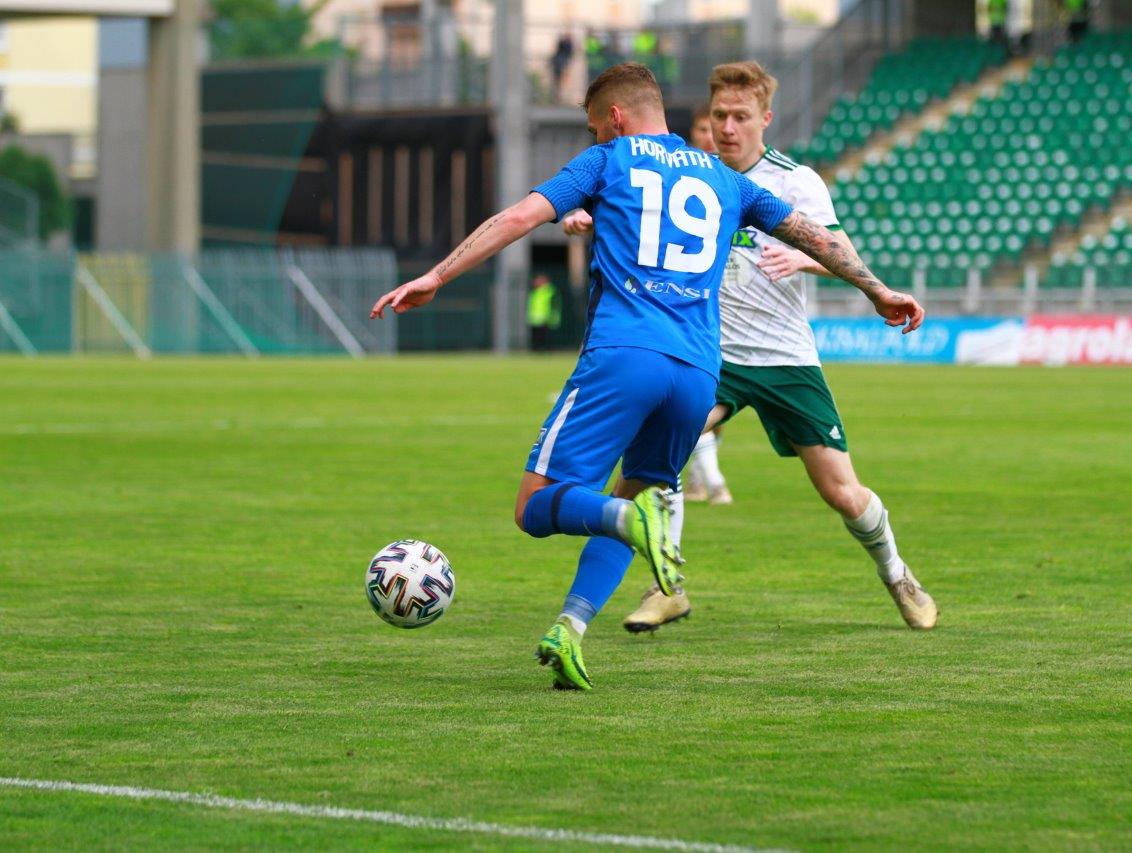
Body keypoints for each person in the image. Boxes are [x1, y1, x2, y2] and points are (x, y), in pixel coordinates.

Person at [372, 63, 923, 691]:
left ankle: (626, 522)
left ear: (613, 118)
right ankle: (570, 629)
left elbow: (520, 216)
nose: (596, 137)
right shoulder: (724, 177)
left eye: (594, 127)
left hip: (625, 355)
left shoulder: (606, 160)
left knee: (536, 507)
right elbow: (815, 237)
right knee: (633, 495)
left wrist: (436, 275)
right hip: (698, 372)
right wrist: (878, 290)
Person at [618, 61, 940, 634]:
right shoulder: (695, 178)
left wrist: (803, 256)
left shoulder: (795, 182)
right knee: (665, 443)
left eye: (741, 116)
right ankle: (667, 587)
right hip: (714, 355)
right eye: (720, 115)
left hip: (785, 358)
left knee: (842, 492)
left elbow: (842, 253)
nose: (728, 127)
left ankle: (897, 574)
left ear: (765, 118)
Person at [680, 102, 734, 505]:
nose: (710, 136)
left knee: (716, 406)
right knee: (701, 401)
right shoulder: (682, 180)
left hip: (732, 307)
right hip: (691, 306)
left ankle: (700, 478)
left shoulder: (733, 180)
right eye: (703, 128)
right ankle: (714, 482)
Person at [526, 273, 562, 351]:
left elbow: (554, 305)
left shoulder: (551, 291)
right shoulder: (535, 292)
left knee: (546, 338)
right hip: (535, 319)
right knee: (537, 338)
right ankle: (537, 350)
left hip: (546, 318)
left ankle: (548, 350)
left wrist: (551, 316)